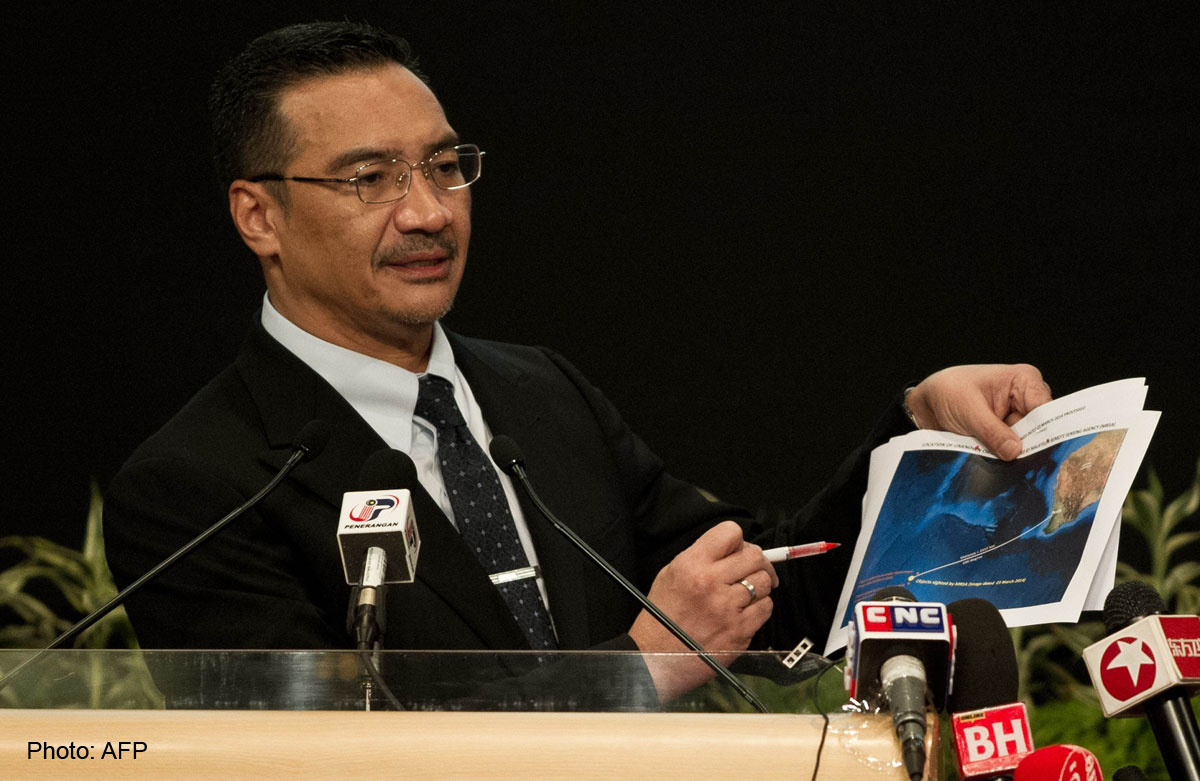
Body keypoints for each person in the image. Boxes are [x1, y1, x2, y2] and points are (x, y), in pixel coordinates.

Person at [103, 21, 1051, 703]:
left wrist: (918, 431)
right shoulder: (196, 487)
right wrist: (638, 667)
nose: (427, 212)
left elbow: (768, 589)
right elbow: (309, 759)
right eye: (369, 178)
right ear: (259, 215)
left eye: (444, 165)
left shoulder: (539, 393)